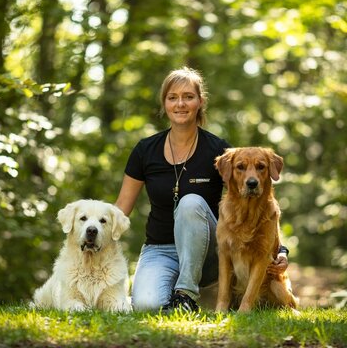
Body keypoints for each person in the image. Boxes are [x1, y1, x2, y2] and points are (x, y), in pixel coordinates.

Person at [115, 66, 289, 312]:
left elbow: (259, 199)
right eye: (172, 97)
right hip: (161, 249)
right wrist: (93, 234)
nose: (180, 104)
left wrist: (281, 250)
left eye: (188, 96)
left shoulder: (219, 150)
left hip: (208, 251)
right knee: (145, 306)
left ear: (200, 102)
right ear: (164, 104)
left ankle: (185, 294)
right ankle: (178, 301)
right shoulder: (145, 150)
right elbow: (121, 208)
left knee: (191, 203)